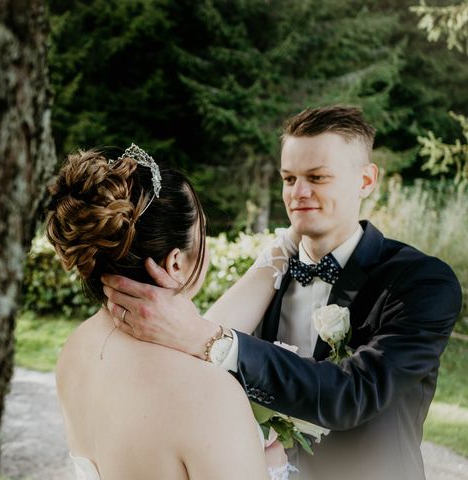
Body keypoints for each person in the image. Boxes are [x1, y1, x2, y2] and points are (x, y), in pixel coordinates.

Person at [102, 106, 463, 480]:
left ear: (366, 181)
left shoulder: (422, 281)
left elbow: (354, 395)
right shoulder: (267, 277)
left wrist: (208, 339)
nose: (298, 193)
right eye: (289, 178)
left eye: (317, 177)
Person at [46, 145, 297, 480]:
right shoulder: (209, 396)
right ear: (175, 262)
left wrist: (289, 243)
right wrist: (273, 464)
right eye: (203, 233)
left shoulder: (76, 350)